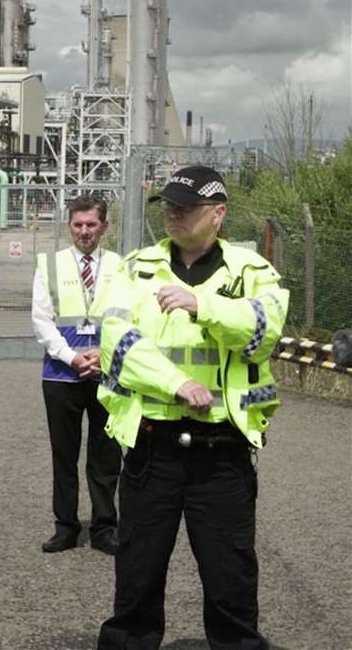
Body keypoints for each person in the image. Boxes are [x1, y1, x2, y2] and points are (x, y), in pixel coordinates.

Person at [95, 166, 287, 650]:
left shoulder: (251, 270)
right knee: (137, 577)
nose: (174, 214)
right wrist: (176, 382)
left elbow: (263, 332)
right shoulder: (135, 268)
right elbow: (116, 342)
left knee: (231, 580)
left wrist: (201, 304)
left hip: (222, 453)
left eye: (187, 206)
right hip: (152, 450)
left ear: (218, 214)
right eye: (169, 205)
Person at [31, 195, 122, 555]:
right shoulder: (49, 265)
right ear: (69, 225)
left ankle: (104, 527)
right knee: (64, 455)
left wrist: (105, 354)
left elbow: (129, 313)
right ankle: (65, 527)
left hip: (107, 372)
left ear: (104, 227)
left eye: (91, 224)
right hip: (61, 374)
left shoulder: (120, 265)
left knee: (106, 456)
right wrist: (71, 357)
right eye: (78, 224)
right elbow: (41, 319)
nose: (84, 231)